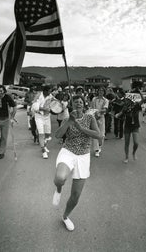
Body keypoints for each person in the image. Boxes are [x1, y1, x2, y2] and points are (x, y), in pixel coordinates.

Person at [52, 95, 102, 231]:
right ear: (72, 105)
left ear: (84, 104)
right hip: (68, 151)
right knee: (60, 178)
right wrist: (69, 122)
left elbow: (98, 135)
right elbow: (57, 135)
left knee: (75, 196)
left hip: (83, 156)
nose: (78, 104)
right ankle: (58, 189)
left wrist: (80, 127)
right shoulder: (68, 118)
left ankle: (65, 216)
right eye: (76, 102)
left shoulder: (89, 117)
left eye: (81, 102)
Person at [116, 89, 143, 164]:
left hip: (135, 126)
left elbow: (143, 101)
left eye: (129, 100)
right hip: (127, 126)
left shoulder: (137, 105)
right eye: (127, 100)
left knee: (136, 143)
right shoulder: (125, 107)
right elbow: (120, 113)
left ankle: (134, 153)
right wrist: (117, 115)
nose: (127, 101)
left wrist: (140, 93)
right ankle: (126, 157)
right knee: (126, 143)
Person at [31, 84, 54, 159]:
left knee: (48, 134)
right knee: (41, 134)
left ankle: (44, 145)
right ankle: (43, 151)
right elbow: (35, 107)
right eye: (49, 91)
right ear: (45, 91)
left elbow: (55, 101)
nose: (50, 93)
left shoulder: (50, 96)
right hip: (39, 117)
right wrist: (44, 109)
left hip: (47, 117)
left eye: (51, 92)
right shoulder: (38, 96)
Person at [91, 87, 109, 157]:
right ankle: (96, 150)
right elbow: (91, 108)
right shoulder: (94, 99)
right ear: (97, 91)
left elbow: (105, 110)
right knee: (95, 133)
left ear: (104, 92)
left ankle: (100, 145)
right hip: (94, 117)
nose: (101, 92)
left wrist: (98, 112)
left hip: (101, 118)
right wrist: (93, 114)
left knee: (101, 135)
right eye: (99, 90)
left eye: (102, 91)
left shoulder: (106, 100)